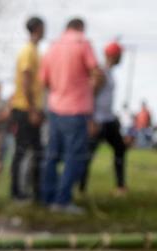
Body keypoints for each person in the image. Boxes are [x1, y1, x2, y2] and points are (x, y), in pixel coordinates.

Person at [40, 18, 103, 214]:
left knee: (52, 155)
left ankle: (47, 197)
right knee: (73, 157)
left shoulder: (53, 46)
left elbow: (44, 80)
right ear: (81, 28)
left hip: (55, 108)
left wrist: (59, 91)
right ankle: (62, 201)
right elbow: (97, 73)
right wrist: (92, 92)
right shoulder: (82, 43)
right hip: (76, 110)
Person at [9, 16, 45, 202]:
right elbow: (25, 80)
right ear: (38, 28)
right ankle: (17, 192)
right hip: (24, 110)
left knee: (37, 151)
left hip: (31, 109)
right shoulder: (28, 51)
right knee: (22, 151)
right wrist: (32, 110)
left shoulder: (36, 51)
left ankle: (35, 191)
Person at [84, 42, 127, 196]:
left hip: (109, 119)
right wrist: (91, 119)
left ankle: (121, 187)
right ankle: (81, 188)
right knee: (88, 155)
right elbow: (91, 96)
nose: (122, 57)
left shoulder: (109, 72)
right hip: (98, 120)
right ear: (112, 55)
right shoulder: (101, 72)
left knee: (120, 148)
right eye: (120, 54)